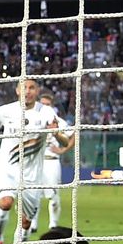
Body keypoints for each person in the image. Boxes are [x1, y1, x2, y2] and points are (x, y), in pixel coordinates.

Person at [0, 80, 71, 244]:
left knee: (26, 221)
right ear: (17, 91)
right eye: (24, 88)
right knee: (5, 202)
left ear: (37, 91)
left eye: (31, 88)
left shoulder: (47, 112)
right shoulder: (6, 110)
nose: (27, 91)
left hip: (32, 175)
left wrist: (56, 133)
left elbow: (65, 141)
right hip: (8, 167)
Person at [38, 92, 75, 230]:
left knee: (53, 194)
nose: (45, 107)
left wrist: (62, 150)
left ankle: (53, 223)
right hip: (36, 162)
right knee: (33, 194)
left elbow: (74, 134)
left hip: (51, 161)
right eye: (42, 104)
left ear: (52, 106)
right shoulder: (33, 120)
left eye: (48, 104)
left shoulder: (59, 122)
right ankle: (32, 224)